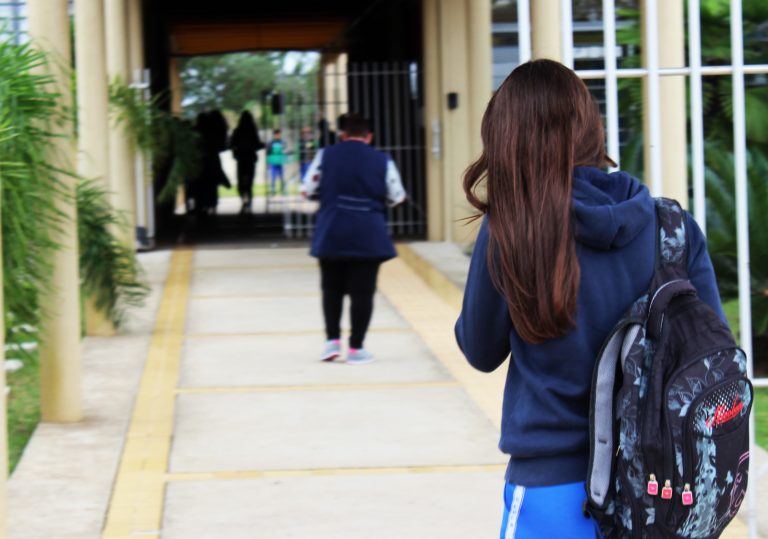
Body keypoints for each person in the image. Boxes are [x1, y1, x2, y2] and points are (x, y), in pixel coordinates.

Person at [454, 59, 724, 538]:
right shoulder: (673, 229)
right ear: (589, 127)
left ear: (506, 139)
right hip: (661, 494)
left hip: (552, 490)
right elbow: (713, 355)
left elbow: (479, 349)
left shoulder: (513, 229)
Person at [301, 113, 407, 365]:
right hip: (368, 233)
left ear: (343, 135)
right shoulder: (382, 160)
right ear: (369, 137)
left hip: (332, 230)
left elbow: (308, 189)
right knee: (363, 292)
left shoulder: (326, 155)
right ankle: (357, 348)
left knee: (331, 288)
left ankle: (331, 342)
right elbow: (397, 195)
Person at [230, 110, 264, 213]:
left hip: (241, 160)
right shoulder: (252, 131)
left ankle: (244, 201)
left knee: (241, 182)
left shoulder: (237, 131)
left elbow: (232, 144)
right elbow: (257, 144)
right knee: (249, 183)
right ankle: (248, 203)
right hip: (250, 160)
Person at [266, 129, 286, 195]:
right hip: (273, 163)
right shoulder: (270, 143)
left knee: (282, 177)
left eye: (279, 134)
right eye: (277, 134)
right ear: (274, 135)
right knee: (273, 177)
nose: (278, 136)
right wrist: (268, 163)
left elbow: (284, 151)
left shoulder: (282, 142)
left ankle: (283, 190)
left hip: (280, 162)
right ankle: (273, 191)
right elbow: (268, 153)